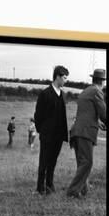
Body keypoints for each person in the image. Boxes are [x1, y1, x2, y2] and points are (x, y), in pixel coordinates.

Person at [67, 68, 107, 198]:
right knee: (87, 162)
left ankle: (83, 190)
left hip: (76, 131)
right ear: (102, 81)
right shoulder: (97, 91)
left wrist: (98, 123)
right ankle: (73, 192)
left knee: (82, 162)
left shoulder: (85, 91)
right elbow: (104, 113)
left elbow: (87, 113)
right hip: (85, 132)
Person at [34, 65, 69, 195]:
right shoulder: (45, 94)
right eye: (64, 78)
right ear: (58, 77)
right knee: (44, 161)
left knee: (53, 161)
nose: (66, 81)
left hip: (58, 136)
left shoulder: (63, 95)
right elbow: (38, 115)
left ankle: (49, 185)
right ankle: (40, 188)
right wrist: (42, 131)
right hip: (47, 135)